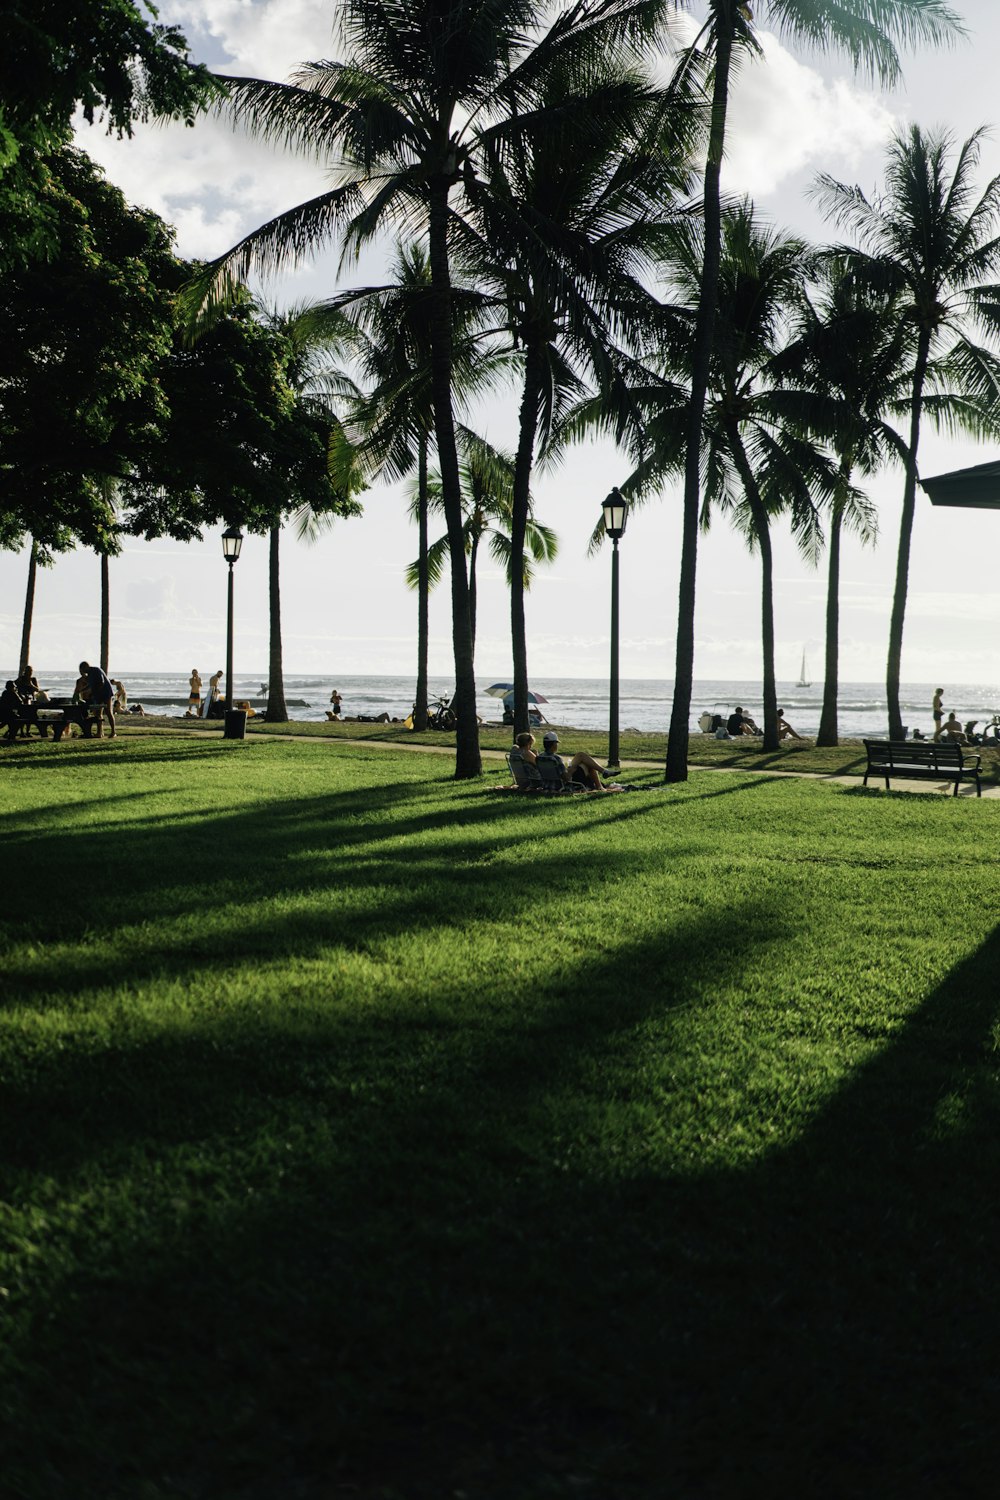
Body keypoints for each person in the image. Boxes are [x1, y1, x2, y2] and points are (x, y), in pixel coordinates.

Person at [531, 730, 609, 791]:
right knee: (586, 765)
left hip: (546, 785)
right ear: (554, 744)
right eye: (557, 743)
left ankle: (600, 782)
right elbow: (566, 778)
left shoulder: (539, 757)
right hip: (562, 786)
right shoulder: (556, 759)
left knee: (581, 758)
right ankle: (600, 784)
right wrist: (571, 770)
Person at [79, 660, 115, 738]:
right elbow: (90, 685)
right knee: (98, 714)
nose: (82, 672)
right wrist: (82, 690)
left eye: (82, 670)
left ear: (86, 667)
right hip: (98, 695)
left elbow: (101, 683)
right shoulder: (89, 674)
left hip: (106, 693)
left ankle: (113, 731)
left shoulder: (96, 670)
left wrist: (93, 692)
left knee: (108, 712)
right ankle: (99, 733)